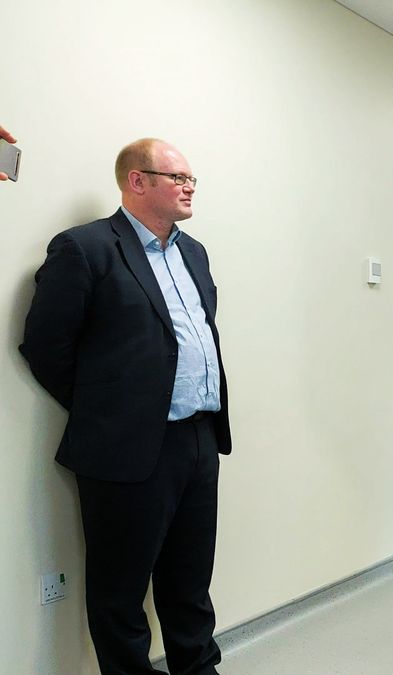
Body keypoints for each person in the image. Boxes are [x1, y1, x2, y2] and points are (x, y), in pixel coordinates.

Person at [21, 138, 230, 675]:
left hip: (199, 440)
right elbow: (46, 346)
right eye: (177, 177)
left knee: (190, 583)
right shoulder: (85, 248)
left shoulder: (193, 252)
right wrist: (111, 409)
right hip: (128, 447)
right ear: (137, 182)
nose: (189, 187)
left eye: (192, 179)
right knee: (120, 593)